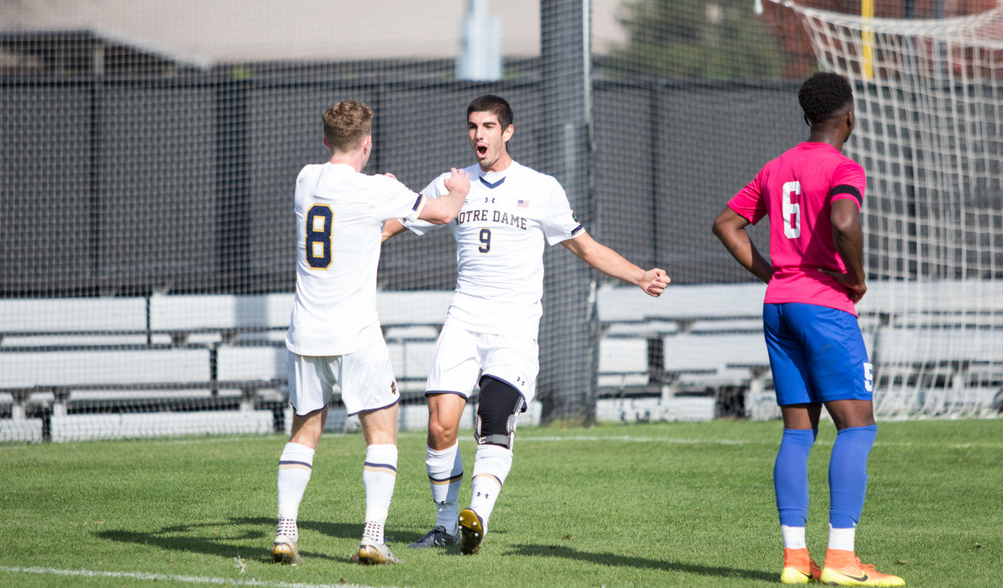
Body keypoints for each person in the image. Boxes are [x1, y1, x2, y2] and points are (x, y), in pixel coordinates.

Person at [383, 94, 671, 555]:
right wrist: (367, 219)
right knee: (440, 425)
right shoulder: (452, 183)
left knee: (493, 415)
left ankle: (476, 514)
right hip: (463, 319)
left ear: (508, 132)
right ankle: (444, 526)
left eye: (489, 126)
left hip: (513, 327)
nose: (480, 135)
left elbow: (587, 248)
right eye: (474, 126)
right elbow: (397, 221)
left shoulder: (541, 188)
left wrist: (639, 275)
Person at [712, 72, 905, 587]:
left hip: (778, 306)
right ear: (850, 116)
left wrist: (775, 272)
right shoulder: (844, 168)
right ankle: (842, 558)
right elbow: (844, 221)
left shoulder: (778, 167)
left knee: (799, 431)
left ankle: (796, 560)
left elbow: (726, 224)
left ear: (805, 117)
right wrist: (857, 279)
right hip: (823, 306)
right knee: (858, 426)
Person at [272, 100, 470, 566]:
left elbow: (358, 216)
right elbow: (441, 213)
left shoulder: (305, 179)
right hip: (356, 335)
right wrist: (457, 189)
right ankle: (373, 536)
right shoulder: (375, 191)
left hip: (304, 334)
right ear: (367, 143)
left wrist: (383, 188)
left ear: (324, 142)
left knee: (303, 433)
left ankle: (285, 530)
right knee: (382, 434)